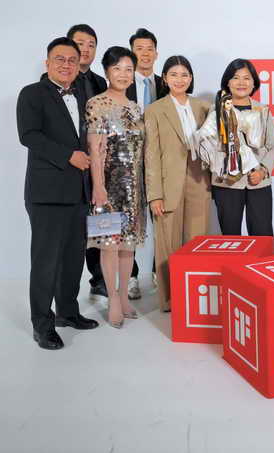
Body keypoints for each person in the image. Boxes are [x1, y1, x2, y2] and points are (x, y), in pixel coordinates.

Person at [17, 37, 98, 350]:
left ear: (78, 65)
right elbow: (29, 135)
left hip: (79, 191)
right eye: (60, 59)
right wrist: (68, 156)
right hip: (47, 193)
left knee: (73, 258)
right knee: (46, 262)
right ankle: (42, 325)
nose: (66, 65)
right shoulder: (32, 94)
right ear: (47, 62)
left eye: (72, 60)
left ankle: (68, 312)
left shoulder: (82, 95)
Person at [86, 46, 147, 329]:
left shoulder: (135, 108)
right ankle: (112, 298)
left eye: (128, 69)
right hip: (108, 188)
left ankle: (124, 296)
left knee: (128, 246)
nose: (123, 74)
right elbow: (95, 150)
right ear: (107, 72)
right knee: (109, 245)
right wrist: (98, 187)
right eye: (117, 69)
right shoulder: (96, 104)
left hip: (134, 189)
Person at [145, 56, 211, 312]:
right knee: (168, 244)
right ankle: (170, 300)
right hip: (167, 184)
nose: (179, 79)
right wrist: (154, 195)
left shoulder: (204, 107)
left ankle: (195, 298)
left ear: (191, 78)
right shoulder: (154, 110)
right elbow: (151, 155)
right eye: (173, 74)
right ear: (165, 78)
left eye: (184, 74)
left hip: (199, 179)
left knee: (197, 241)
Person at [200, 59, 274, 236]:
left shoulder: (263, 110)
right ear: (227, 82)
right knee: (231, 237)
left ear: (254, 83)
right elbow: (207, 148)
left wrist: (263, 171)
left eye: (246, 78)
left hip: (258, 182)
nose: (241, 83)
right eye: (236, 78)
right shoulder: (216, 110)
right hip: (227, 184)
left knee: (262, 235)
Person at [65, 24, 110, 299]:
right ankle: (68, 291)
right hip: (72, 163)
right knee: (75, 227)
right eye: (80, 43)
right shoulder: (59, 81)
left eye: (91, 44)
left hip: (99, 161)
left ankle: (101, 278)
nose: (85, 49)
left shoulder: (100, 82)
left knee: (101, 219)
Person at [125, 27, 168, 300]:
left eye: (149, 49)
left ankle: (157, 271)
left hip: (159, 162)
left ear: (156, 53)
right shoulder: (122, 83)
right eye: (139, 49)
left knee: (161, 219)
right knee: (130, 219)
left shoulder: (166, 83)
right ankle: (130, 276)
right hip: (128, 163)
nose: (145, 54)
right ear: (132, 53)